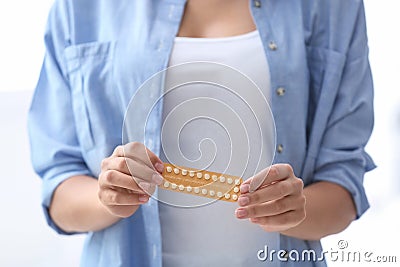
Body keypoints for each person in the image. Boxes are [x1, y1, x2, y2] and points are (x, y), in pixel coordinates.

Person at [28, 0, 375, 266]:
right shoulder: (81, 7)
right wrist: (108, 196)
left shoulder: (334, 7)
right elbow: (59, 191)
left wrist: (296, 209)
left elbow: (343, 184)